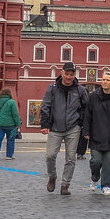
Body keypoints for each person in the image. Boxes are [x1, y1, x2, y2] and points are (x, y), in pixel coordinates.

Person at [40, 62, 90, 195]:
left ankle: (65, 184)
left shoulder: (80, 90)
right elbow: (45, 106)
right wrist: (45, 124)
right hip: (55, 127)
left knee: (71, 157)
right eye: (67, 74)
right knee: (50, 155)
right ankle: (52, 176)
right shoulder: (52, 88)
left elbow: (86, 108)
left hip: (73, 127)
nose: (69, 77)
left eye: (71, 74)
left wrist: (82, 124)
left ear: (75, 75)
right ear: (62, 73)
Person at [0, 88, 22, 161]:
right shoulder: (12, 102)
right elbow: (15, 114)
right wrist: (18, 123)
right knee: (10, 140)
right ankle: (9, 156)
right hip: (10, 124)